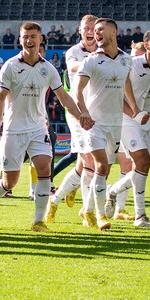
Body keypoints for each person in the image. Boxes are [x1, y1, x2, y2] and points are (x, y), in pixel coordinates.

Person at [0, 22, 87, 232]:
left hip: (38, 129)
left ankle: (38, 221)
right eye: (25, 36)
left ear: (40, 39)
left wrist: (80, 116)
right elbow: (0, 99)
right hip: (13, 130)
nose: (29, 40)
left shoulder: (48, 68)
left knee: (45, 170)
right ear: (20, 39)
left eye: (33, 36)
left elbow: (64, 97)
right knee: (10, 182)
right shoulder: (10, 66)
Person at [72, 18, 143, 230]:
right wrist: (83, 112)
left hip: (115, 124)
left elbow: (126, 84)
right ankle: (101, 216)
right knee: (101, 166)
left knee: (103, 171)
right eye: (94, 30)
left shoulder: (125, 60)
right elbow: (77, 90)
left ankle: (88, 209)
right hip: (94, 123)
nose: (96, 33)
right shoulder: (91, 61)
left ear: (114, 32)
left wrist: (135, 109)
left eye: (101, 29)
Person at [104, 28, 150, 227]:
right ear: (146, 46)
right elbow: (115, 97)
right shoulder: (131, 64)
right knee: (143, 162)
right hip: (126, 120)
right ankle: (141, 216)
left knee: (142, 168)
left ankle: (112, 191)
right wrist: (134, 113)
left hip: (147, 123)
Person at [48, 15, 98, 219]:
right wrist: (95, 61)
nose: (89, 31)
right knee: (89, 161)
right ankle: (88, 213)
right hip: (77, 112)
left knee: (83, 164)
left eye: (93, 28)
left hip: (97, 112)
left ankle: (56, 198)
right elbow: (74, 66)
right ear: (80, 31)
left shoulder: (105, 52)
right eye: (86, 28)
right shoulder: (74, 52)